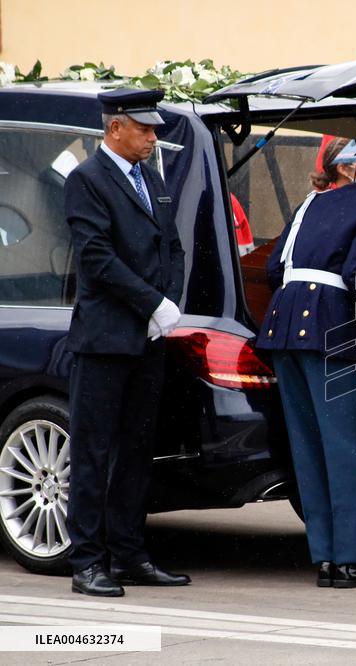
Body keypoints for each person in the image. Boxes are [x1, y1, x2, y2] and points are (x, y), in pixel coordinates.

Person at [256, 121, 356, 588]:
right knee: (348, 447)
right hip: (332, 330)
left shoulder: (315, 200)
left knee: (308, 448)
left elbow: (273, 268)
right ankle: (353, 561)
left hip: (284, 328)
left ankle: (326, 557)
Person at [64, 88, 190, 596]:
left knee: (137, 451)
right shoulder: (86, 180)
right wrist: (150, 304)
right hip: (105, 340)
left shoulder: (152, 178)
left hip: (146, 339)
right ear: (115, 127)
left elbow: (173, 247)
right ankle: (88, 562)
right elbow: (96, 258)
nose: (152, 136)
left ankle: (130, 554)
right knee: (93, 453)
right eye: (144, 128)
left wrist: (169, 303)